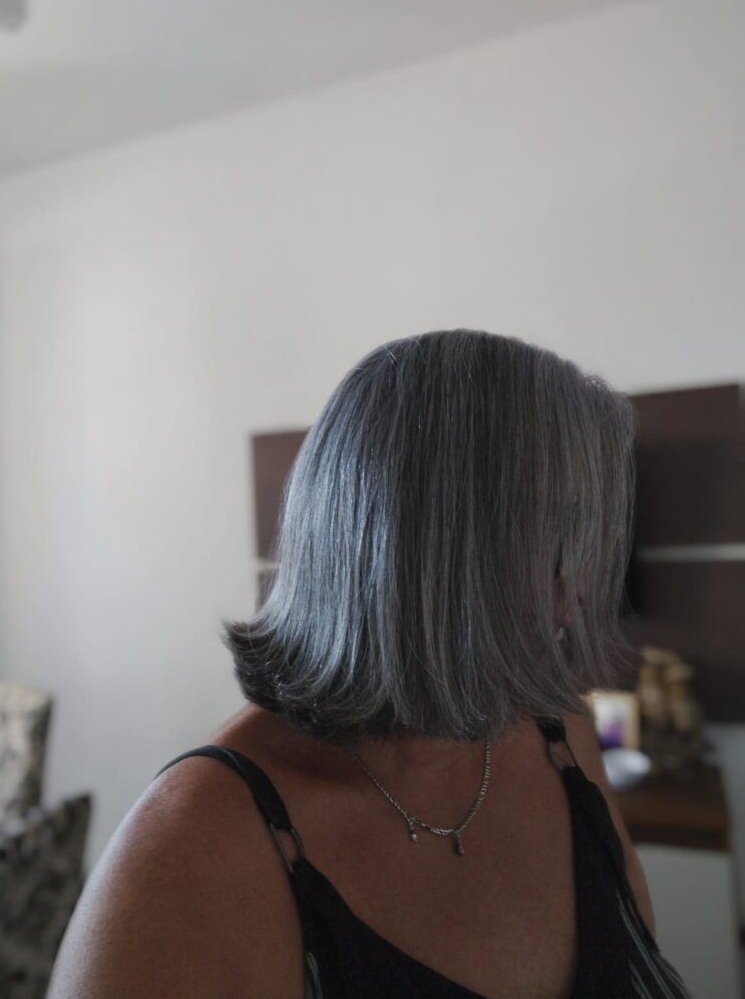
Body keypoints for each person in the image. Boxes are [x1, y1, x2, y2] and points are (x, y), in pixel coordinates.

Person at [48, 330, 692, 998]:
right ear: (429, 549)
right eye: (556, 538)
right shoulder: (193, 855)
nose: (579, 592)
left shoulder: (559, 736)